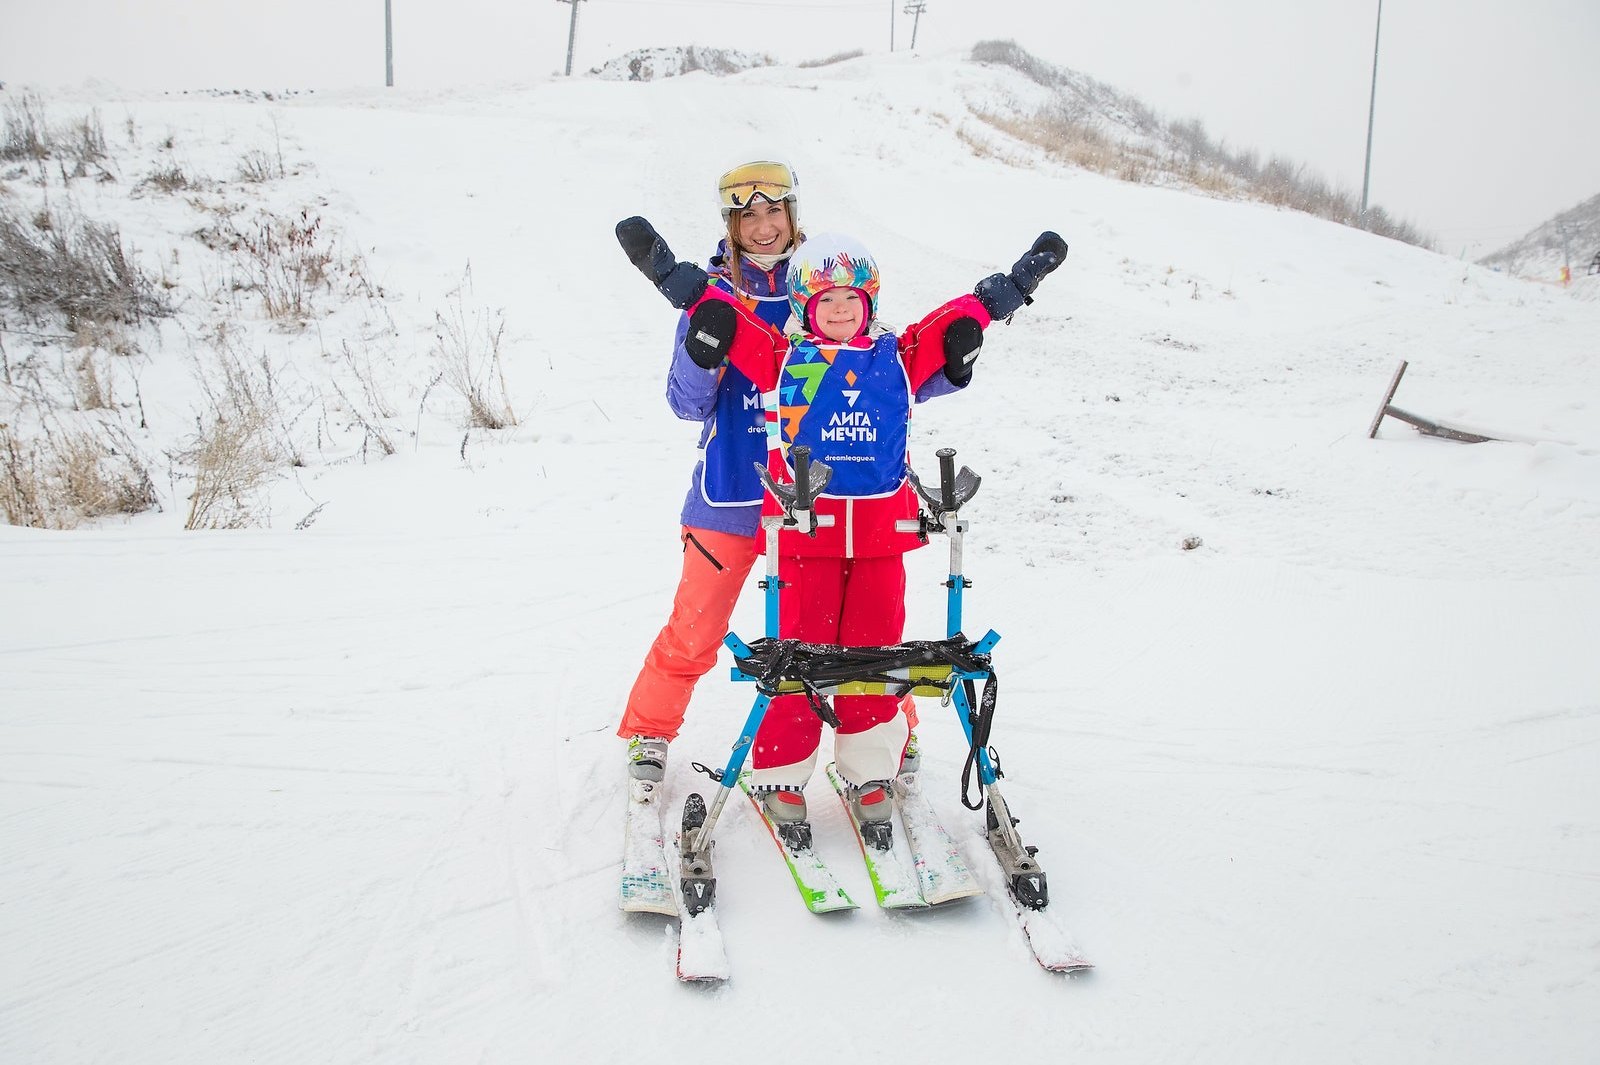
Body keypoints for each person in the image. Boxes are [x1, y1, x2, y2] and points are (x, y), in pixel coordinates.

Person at [616, 216, 1065, 849]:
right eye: (825, 300)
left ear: (869, 304)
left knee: (874, 660)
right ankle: (779, 778)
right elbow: (720, 313)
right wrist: (667, 272)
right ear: (804, 303)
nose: (838, 311)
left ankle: (870, 775)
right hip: (805, 540)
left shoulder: (896, 359)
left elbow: (962, 318)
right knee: (797, 660)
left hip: (883, 540)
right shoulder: (783, 358)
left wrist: (1015, 285)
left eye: (851, 300)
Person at [614, 161, 802, 785]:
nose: (763, 226)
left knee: (839, 634)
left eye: (772, 211)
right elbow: (687, 403)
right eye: (747, 215)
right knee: (694, 629)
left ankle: (883, 734)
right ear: (731, 222)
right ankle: (649, 732)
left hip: (812, 502)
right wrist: (704, 354)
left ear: (791, 214)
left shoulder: (827, 289)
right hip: (728, 498)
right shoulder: (710, 296)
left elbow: (881, 380)